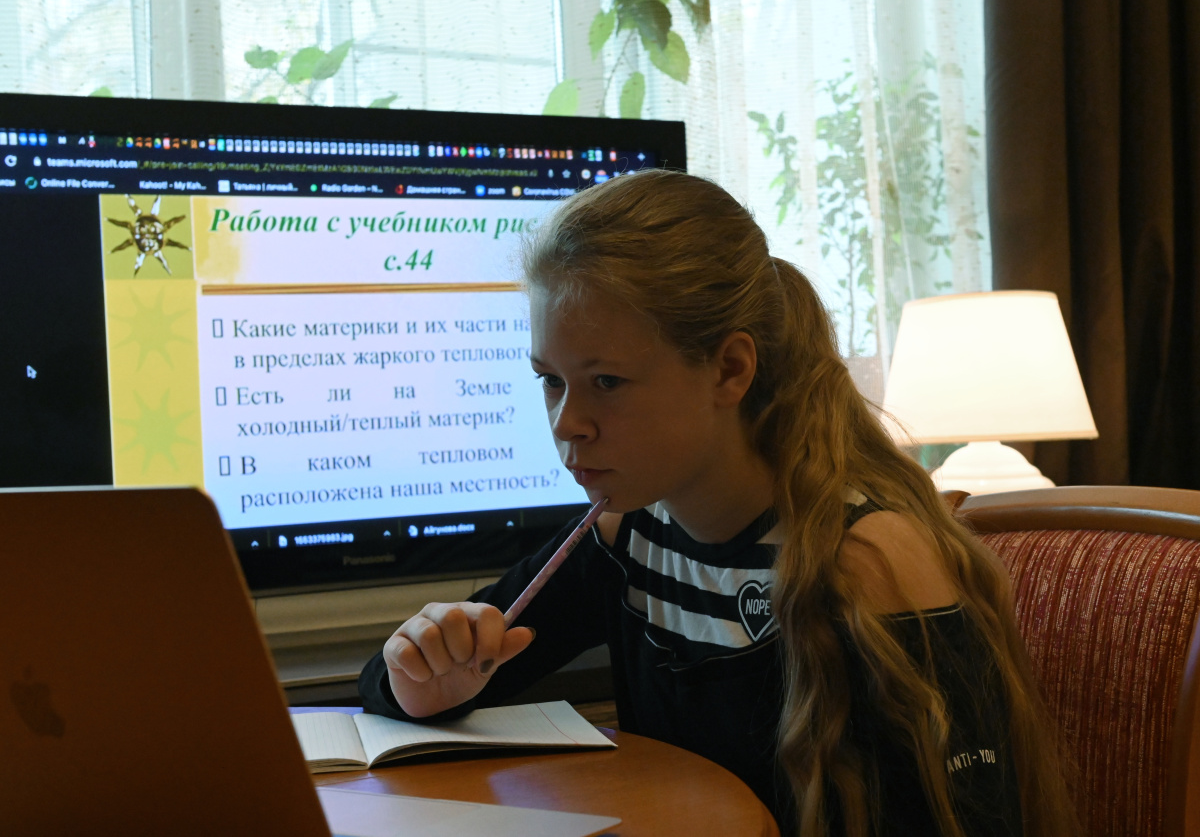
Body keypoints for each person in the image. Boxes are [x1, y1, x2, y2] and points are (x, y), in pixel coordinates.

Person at [358, 169, 1074, 836]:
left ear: (729, 369)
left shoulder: (867, 562)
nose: (567, 422)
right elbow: (410, 682)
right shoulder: (627, 536)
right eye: (550, 380)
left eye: (606, 382)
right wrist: (422, 680)